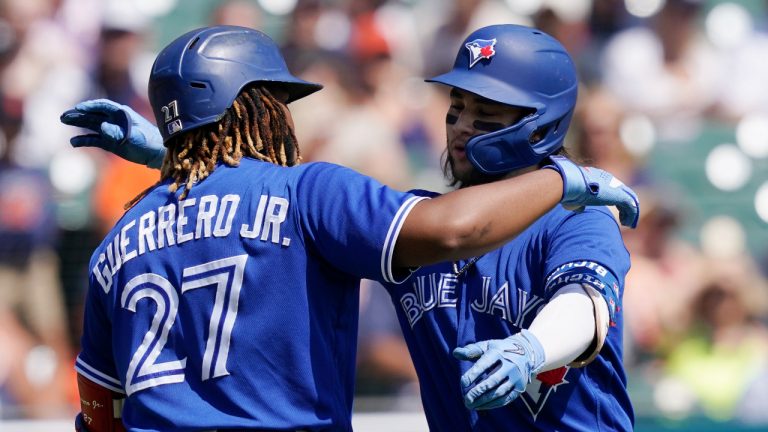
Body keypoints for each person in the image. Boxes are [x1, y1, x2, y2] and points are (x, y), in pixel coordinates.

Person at [61, 25, 638, 431]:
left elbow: (587, 306)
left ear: (539, 125)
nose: (461, 126)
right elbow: (448, 227)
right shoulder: (410, 220)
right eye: (455, 109)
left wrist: (532, 347)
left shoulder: (576, 219)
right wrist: (569, 175)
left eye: (484, 114)